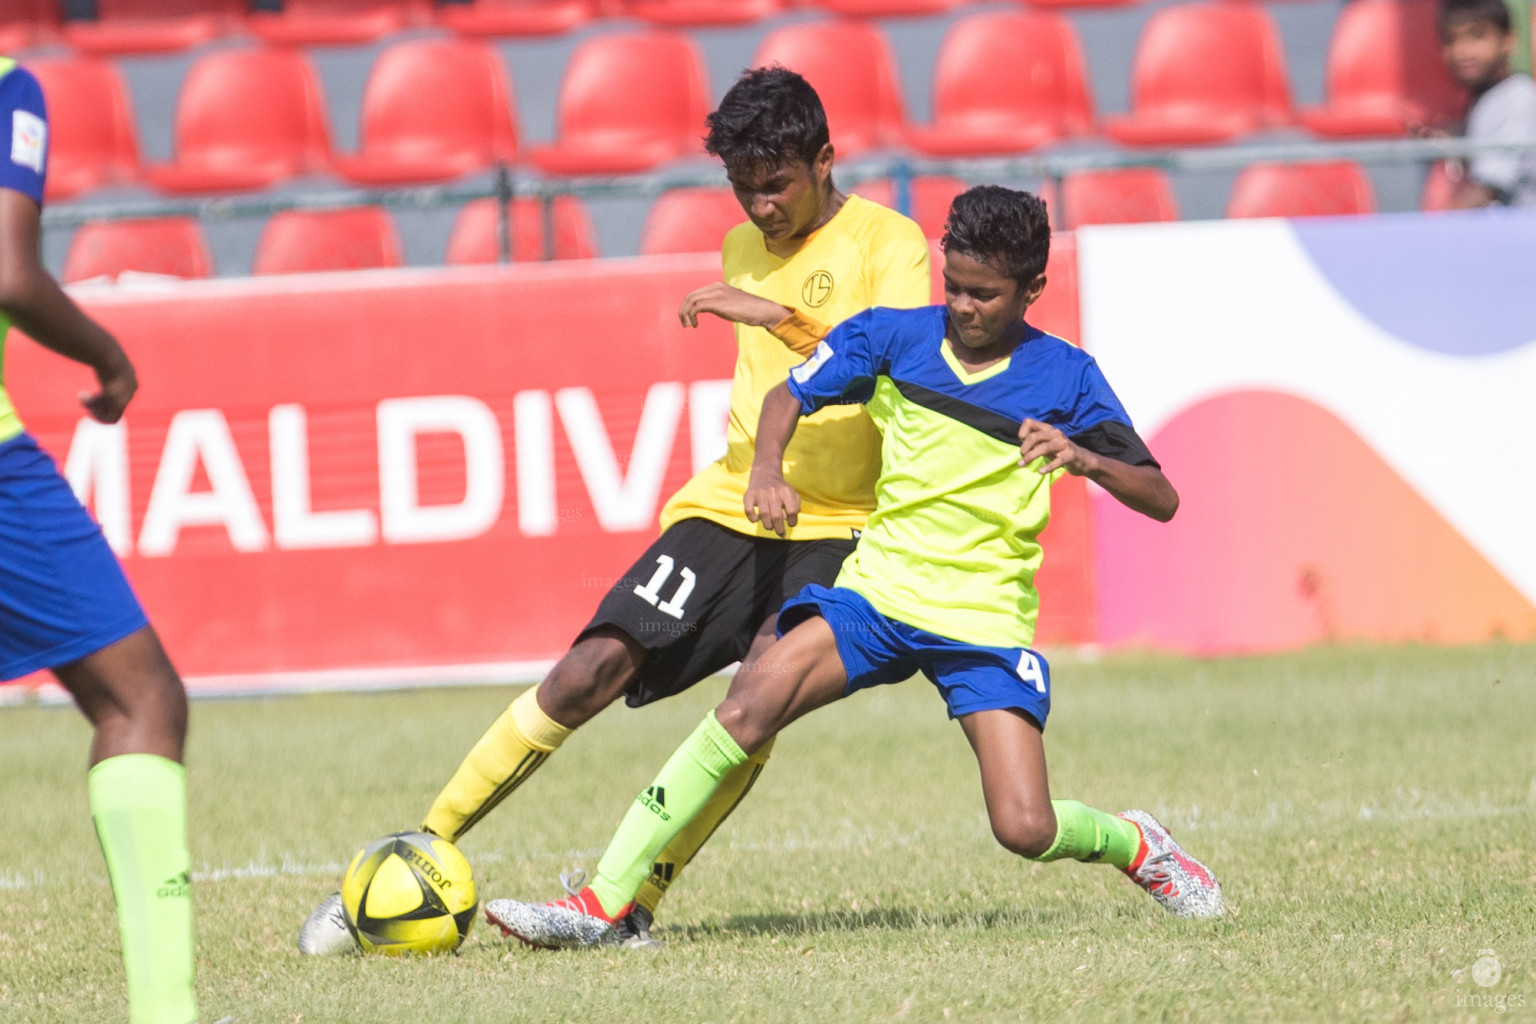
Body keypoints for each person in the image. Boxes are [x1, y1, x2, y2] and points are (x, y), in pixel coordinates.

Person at [482, 186, 1225, 951]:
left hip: (981, 619)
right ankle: (606, 905)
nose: (963, 307)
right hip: (876, 594)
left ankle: (1137, 844)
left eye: (984, 294)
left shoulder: (1066, 376)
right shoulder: (893, 338)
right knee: (746, 709)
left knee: (1025, 827)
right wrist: (767, 468)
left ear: (1033, 289)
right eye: (954, 285)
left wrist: (1085, 457)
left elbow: (1161, 497)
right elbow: (787, 395)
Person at [299, 67, 931, 953]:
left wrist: (775, 317)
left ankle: (629, 904)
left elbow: (904, 372)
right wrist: (765, 453)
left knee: (759, 694)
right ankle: (417, 846)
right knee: (586, 667)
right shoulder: (741, 243)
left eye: (777, 184)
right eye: (742, 188)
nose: (759, 207)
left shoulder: (889, 242)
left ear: (826, 161)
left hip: (845, 522)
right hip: (733, 502)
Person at [0, 60, 201, 1023]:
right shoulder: (6, 88)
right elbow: (8, 270)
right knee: (140, 699)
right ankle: (165, 1012)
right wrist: (109, 358)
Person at [1439, 0, 1536, 206]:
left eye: (1477, 36)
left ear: (1508, 40)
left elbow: (1485, 191)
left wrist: (1425, 233)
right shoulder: (1485, 98)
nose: (1462, 51)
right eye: (1451, 40)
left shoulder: (1517, 97)